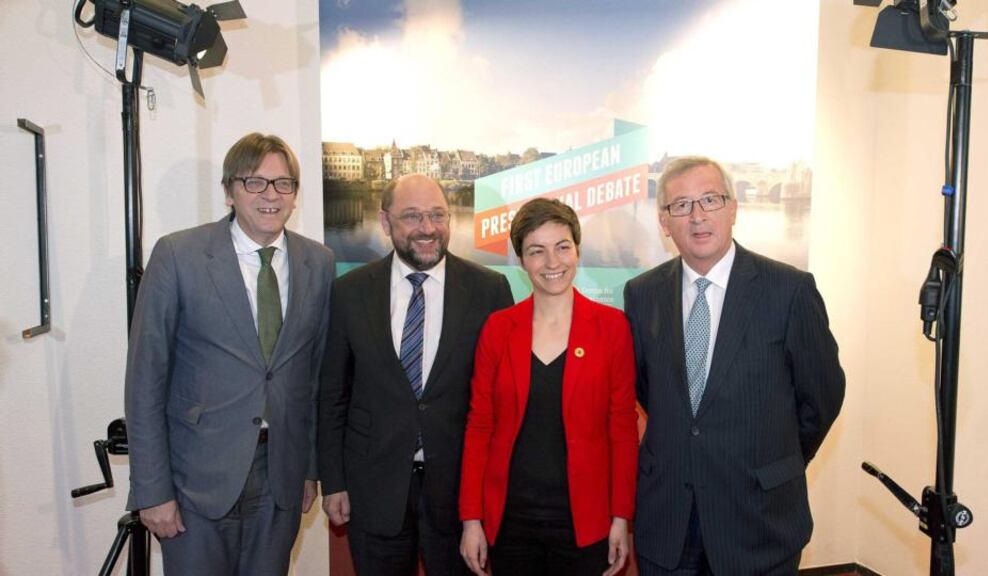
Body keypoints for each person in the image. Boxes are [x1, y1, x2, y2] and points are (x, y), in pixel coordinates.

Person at [124, 133, 334, 574]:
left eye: (283, 183)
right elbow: (145, 382)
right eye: (255, 182)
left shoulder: (319, 262)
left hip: (281, 475)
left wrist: (310, 468)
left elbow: (313, 378)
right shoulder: (178, 255)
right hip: (193, 480)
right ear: (229, 191)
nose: (270, 196)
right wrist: (151, 489)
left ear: (295, 194)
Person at [624, 156, 845, 575]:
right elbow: (645, 390)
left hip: (759, 518)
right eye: (682, 205)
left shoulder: (789, 290)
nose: (698, 216)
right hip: (669, 519)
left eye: (710, 199)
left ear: (733, 208)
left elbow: (822, 396)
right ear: (664, 222)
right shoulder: (642, 294)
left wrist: (777, 460)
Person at [318, 174, 514, 575]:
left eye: (438, 215)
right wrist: (333, 481)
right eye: (412, 216)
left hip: (460, 497)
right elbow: (333, 394)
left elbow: (502, 402)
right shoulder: (350, 291)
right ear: (385, 222)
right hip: (373, 491)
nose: (428, 228)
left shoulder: (490, 289)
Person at [460, 198, 639, 576]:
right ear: (522, 261)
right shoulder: (498, 328)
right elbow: (479, 427)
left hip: (585, 523)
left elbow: (622, 429)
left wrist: (621, 517)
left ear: (577, 249)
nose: (552, 262)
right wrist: (471, 519)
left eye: (562, 247)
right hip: (510, 522)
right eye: (536, 251)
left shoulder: (612, 327)